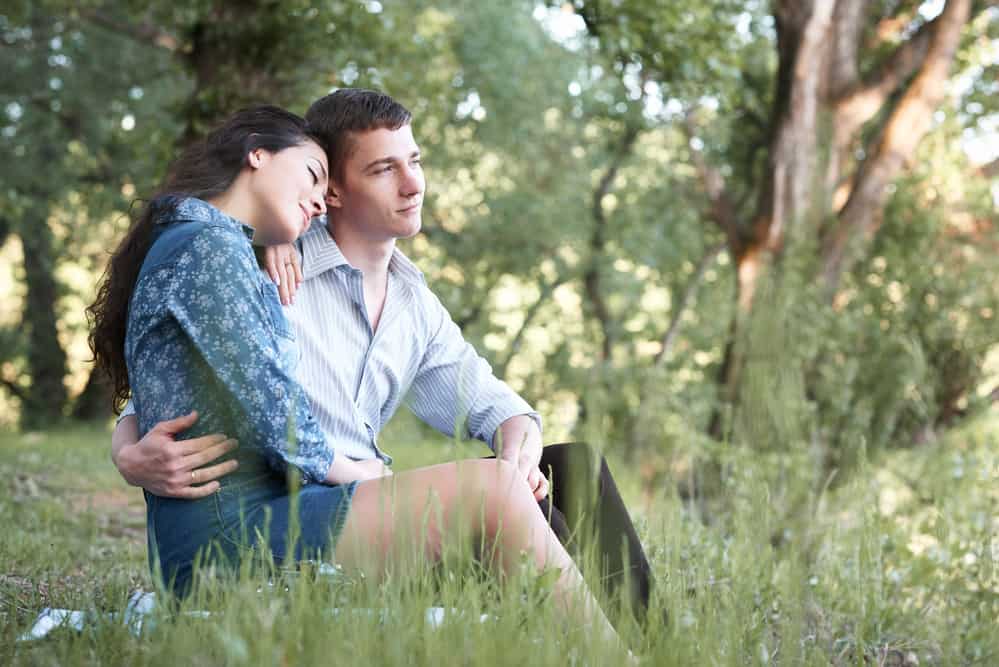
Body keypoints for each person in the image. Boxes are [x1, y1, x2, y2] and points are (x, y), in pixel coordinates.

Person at [89, 103, 625, 642]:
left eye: (414, 161)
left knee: (565, 470)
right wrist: (128, 453)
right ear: (333, 192)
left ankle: (644, 640)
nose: (413, 183)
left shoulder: (410, 300)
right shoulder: (266, 263)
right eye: (384, 169)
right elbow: (184, 387)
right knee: (501, 498)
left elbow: (496, 402)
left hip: (345, 505)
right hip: (286, 506)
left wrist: (518, 456)